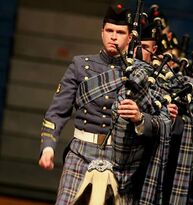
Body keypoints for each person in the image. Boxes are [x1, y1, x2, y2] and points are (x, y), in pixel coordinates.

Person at [38, 3, 171, 204]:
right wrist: (48, 147)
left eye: (120, 32)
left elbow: (162, 121)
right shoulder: (80, 66)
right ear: (102, 32)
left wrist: (139, 118)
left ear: (130, 37)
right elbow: (57, 112)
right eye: (109, 30)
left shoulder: (143, 73)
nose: (113, 36)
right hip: (80, 153)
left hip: (122, 160)